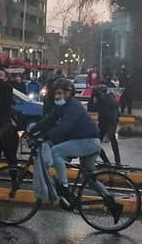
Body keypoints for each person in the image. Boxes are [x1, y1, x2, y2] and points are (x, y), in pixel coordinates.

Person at [31, 78, 107, 209]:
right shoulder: (61, 107)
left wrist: (45, 136)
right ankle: (110, 200)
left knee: (56, 152)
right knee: (89, 179)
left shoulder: (74, 106)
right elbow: (48, 120)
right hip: (88, 143)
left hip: (88, 142)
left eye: (60, 93)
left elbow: (65, 127)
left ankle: (64, 187)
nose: (57, 96)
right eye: (56, 93)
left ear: (68, 93)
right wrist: (32, 131)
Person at [92, 85, 121, 166]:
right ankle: (117, 162)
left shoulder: (102, 99)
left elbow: (93, 107)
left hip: (108, 121)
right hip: (109, 121)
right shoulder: (111, 97)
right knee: (111, 140)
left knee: (97, 142)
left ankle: (107, 161)